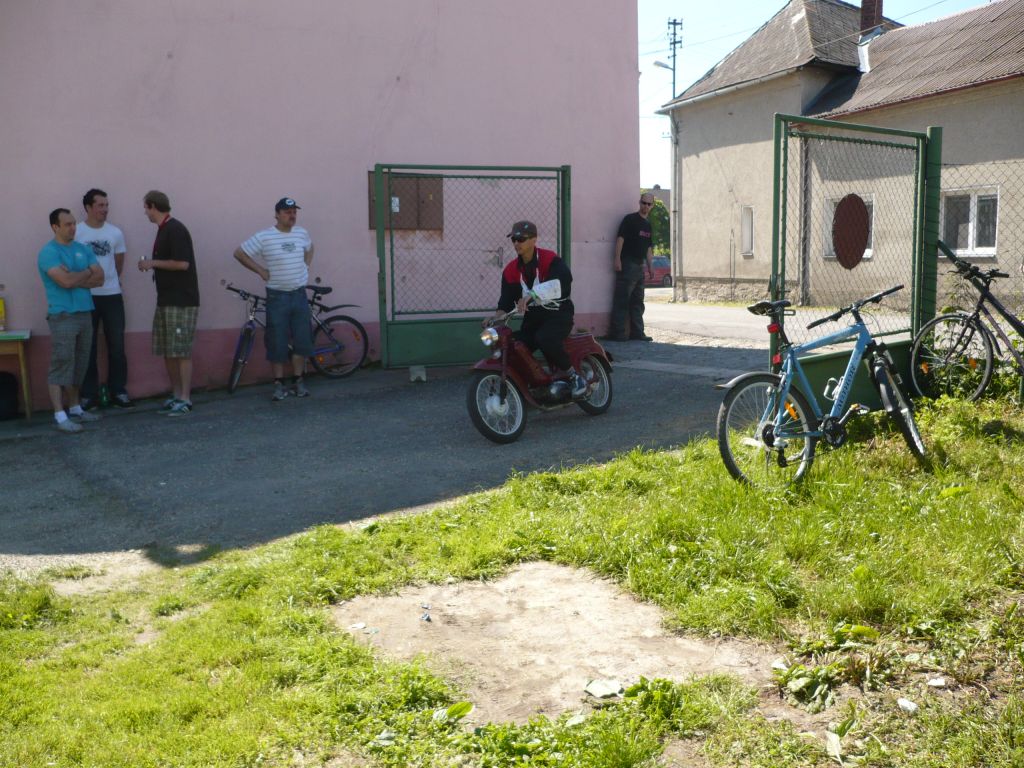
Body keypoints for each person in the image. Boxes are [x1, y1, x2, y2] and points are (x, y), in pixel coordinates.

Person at [485, 220, 586, 398]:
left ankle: (575, 376)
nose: (517, 243)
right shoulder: (510, 271)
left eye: (521, 239)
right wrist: (495, 318)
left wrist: (531, 295)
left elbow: (560, 282)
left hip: (558, 313)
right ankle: (534, 383)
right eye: (514, 239)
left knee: (544, 338)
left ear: (534, 239)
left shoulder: (550, 259)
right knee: (514, 345)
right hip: (533, 319)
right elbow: (505, 303)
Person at [233, 197, 315, 401]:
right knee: (277, 341)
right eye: (287, 212)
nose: (292, 215)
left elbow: (310, 247)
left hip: (299, 295)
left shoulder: (301, 233)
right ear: (277, 215)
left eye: (294, 212)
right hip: (277, 297)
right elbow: (239, 253)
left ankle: (298, 380)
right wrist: (260, 270)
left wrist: (306, 266)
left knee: (301, 339)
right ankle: (278, 383)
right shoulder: (265, 236)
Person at [37, 208, 105, 433]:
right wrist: (85, 273)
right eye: (67, 224)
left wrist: (75, 276)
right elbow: (64, 282)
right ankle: (60, 415)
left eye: (74, 223)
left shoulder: (83, 249)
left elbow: (100, 278)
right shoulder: (49, 252)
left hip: (85, 312)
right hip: (62, 315)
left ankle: (76, 408)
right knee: (62, 363)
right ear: (55, 227)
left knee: (80, 363)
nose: (73, 228)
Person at [139, 190, 200, 417]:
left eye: (146, 208)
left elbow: (183, 264)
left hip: (181, 301)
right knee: (168, 350)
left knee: (181, 350)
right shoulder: (164, 229)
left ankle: (185, 398)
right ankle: (176, 395)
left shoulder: (175, 229)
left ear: (152, 206)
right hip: (166, 299)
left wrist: (152, 263)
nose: (145, 213)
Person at [75, 188, 133, 410]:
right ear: (88, 207)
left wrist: (109, 281)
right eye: (100, 205)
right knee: (88, 347)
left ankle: (118, 390)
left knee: (117, 345)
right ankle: (89, 395)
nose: (105, 209)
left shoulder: (115, 233)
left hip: (112, 295)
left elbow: (118, 264)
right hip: (86, 297)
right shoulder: (77, 232)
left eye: (107, 205)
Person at [606, 192, 655, 341]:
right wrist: (617, 259)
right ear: (639, 202)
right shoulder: (630, 219)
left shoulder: (648, 225)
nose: (645, 206)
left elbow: (648, 248)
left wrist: (650, 266)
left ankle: (637, 333)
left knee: (638, 301)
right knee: (622, 299)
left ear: (652, 206)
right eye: (643, 203)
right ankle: (618, 333)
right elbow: (620, 239)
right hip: (627, 264)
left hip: (640, 266)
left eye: (649, 204)